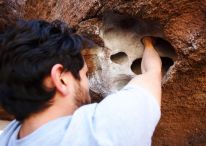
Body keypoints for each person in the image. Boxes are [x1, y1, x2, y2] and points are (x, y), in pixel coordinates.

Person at [0, 19, 161, 146]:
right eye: (85, 73)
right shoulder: (103, 131)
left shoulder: (7, 138)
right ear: (61, 79)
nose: (87, 83)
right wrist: (148, 43)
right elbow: (152, 73)